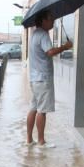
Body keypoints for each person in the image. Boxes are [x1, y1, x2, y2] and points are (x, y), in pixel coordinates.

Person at [26, 11, 73, 145]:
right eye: (50, 18)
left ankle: (29, 140)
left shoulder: (35, 34)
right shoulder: (43, 35)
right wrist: (65, 47)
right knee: (42, 111)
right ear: (43, 21)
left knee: (33, 108)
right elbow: (50, 52)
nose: (53, 21)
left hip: (35, 79)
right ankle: (41, 142)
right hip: (43, 79)